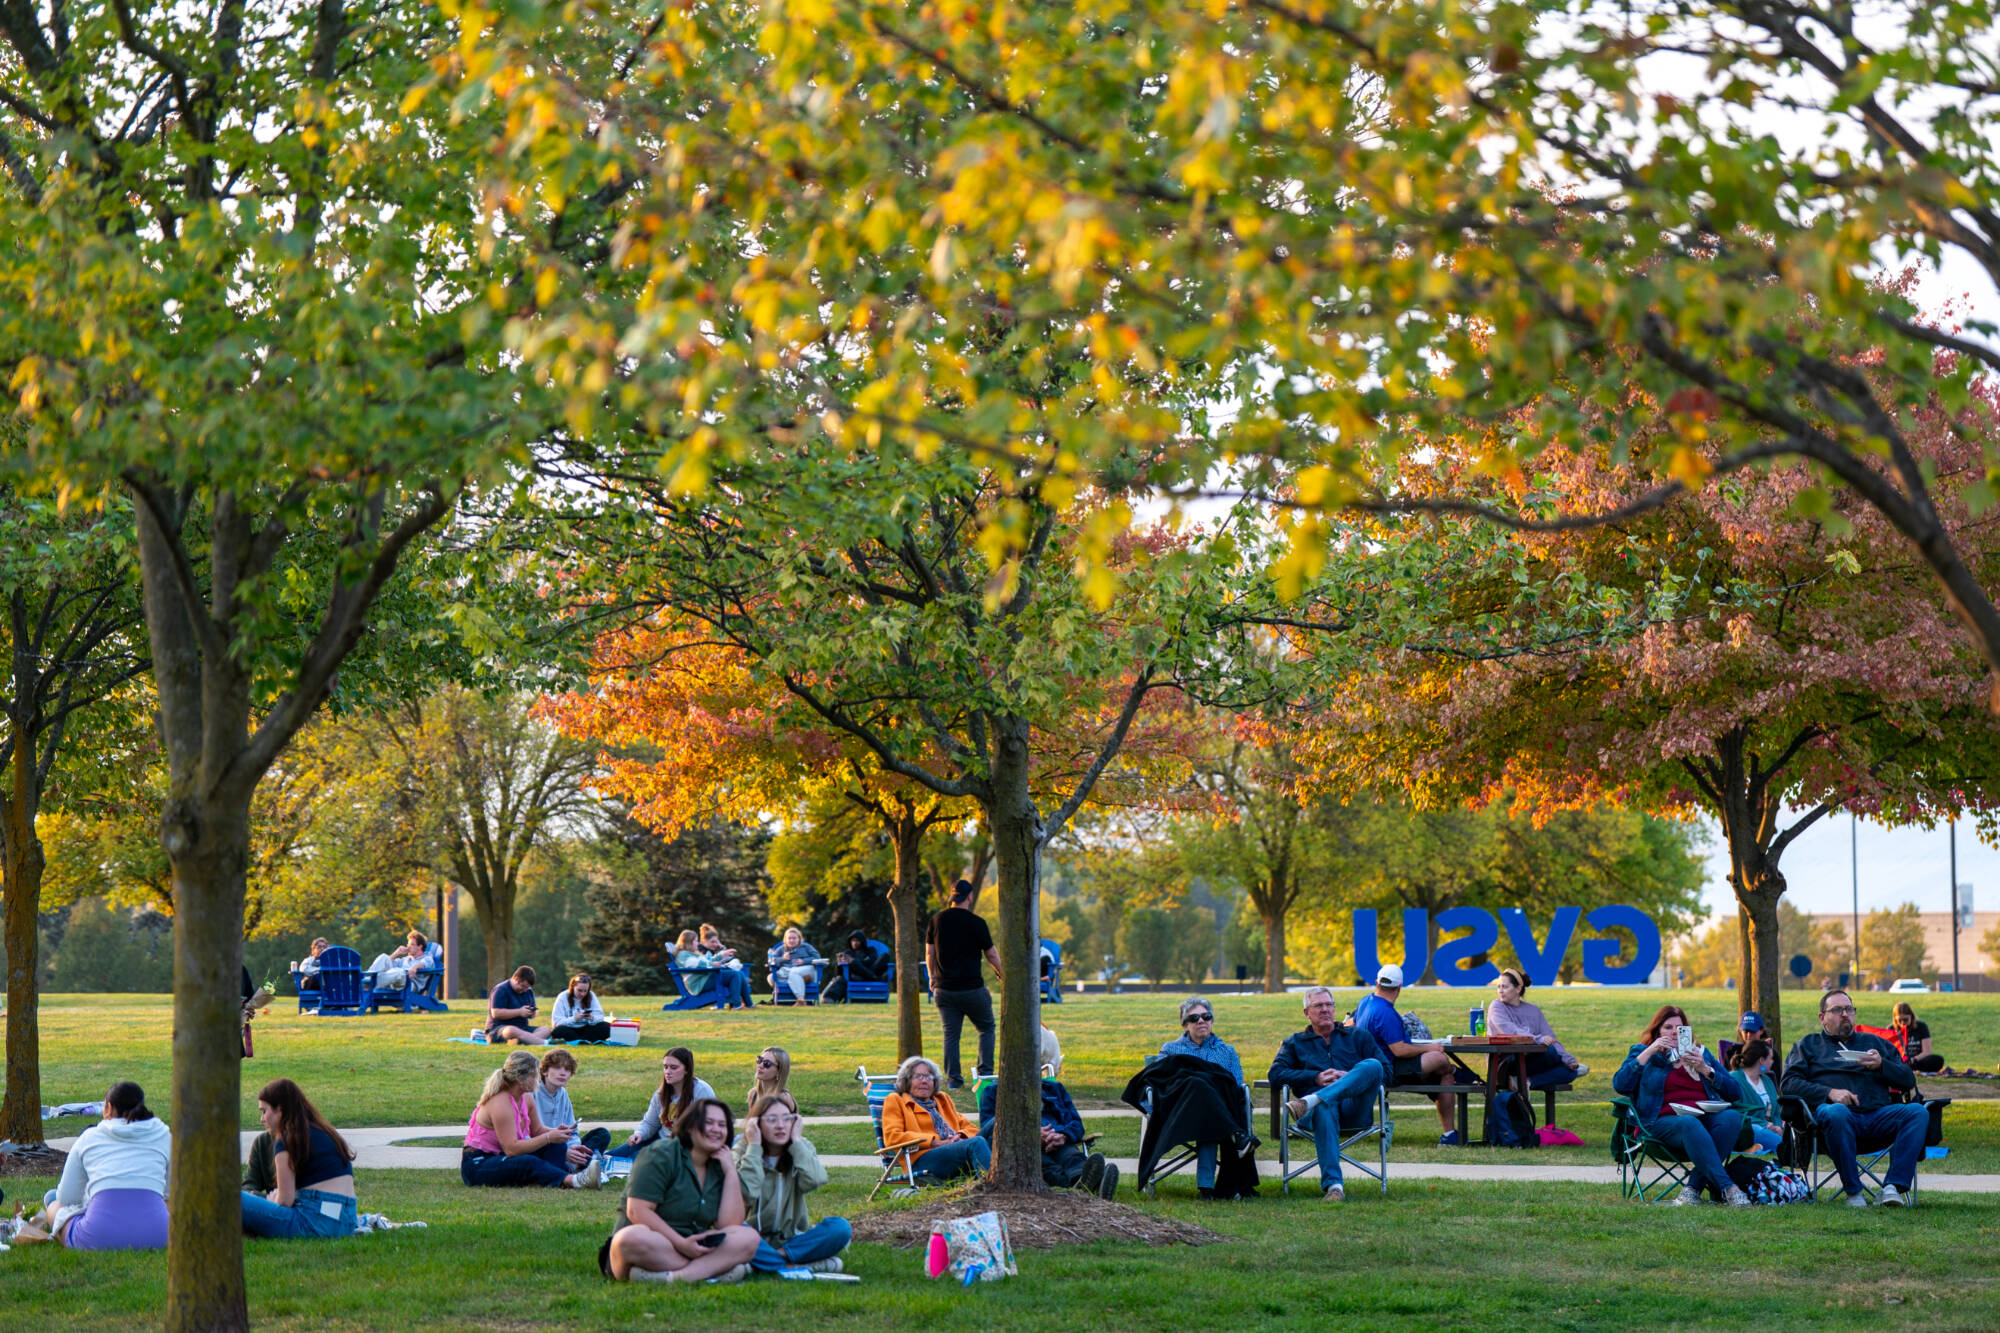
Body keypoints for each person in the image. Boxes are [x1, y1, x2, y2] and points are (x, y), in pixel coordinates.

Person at [1782, 988, 1925, 1207]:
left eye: (1849, 1009)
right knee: (1836, 1111)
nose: (1845, 1014)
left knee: (1917, 1112)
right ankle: (1854, 1191)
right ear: (1822, 1018)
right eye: (1837, 1010)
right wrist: (1829, 1093)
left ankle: (1892, 1188)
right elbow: (1788, 1083)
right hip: (1832, 1123)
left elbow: (1907, 1080)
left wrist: (1882, 1065)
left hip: (1877, 1117)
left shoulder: (1876, 1044)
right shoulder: (1808, 1045)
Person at [602, 1097, 762, 1283]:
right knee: (630, 1238)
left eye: (722, 1125)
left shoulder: (719, 1165)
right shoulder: (661, 1154)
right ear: (690, 1127)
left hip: (694, 1245)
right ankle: (711, 1270)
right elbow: (637, 1211)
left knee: (749, 1237)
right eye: (708, 1122)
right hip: (654, 1244)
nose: (716, 1129)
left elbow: (729, 1225)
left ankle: (675, 1278)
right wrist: (682, 1244)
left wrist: (731, 1172)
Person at [1612, 1005, 1751, 1207]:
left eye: (1680, 1028)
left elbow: (1735, 1093)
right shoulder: (1643, 1052)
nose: (1674, 1033)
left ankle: (1692, 1190)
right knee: (1688, 1123)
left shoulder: (1700, 1054)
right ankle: (1729, 1188)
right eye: (1668, 1027)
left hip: (1702, 1121)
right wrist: (1650, 1051)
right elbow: (1620, 1085)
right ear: (1657, 1031)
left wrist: (1705, 1069)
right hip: (1658, 1124)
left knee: (1731, 1118)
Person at [1267, 987, 1387, 1204]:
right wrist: (1315, 1078)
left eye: (1329, 1005)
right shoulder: (1295, 1043)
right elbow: (1275, 1074)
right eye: (1318, 1005)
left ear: (1334, 1008)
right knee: (1324, 1106)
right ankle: (1334, 1187)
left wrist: (1350, 1077)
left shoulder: (1358, 1037)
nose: (1325, 1010)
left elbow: (1387, 1072)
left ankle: (1313, 1099)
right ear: (1306, 1012)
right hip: (1314, 1116)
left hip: (1354, 1110)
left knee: (1373, 1065)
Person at [978, 1026, 1114, 1196]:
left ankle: (1084, 1182)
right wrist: (1031, 1134)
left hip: (1059, 1141)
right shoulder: (993, 1093)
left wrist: (1063, 1136)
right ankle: (1090, 1186)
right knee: (1046, 1166)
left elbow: (1077, 1124)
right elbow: (990, 1130)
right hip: (1024, 1147)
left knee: (1072, 1157)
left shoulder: (1054, 1089)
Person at [42, 1081, 170, 1250]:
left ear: (108, 1108)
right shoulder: (163, 1134)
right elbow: (171, 1194)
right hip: (159, 1235)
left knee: (53, 1202)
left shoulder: (89, 1137)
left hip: (96, 1236)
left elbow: (67, 1198)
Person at [739, 1091, 852, 1274]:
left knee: (839, 1228)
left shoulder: (801, 1147)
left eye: (787, 1119)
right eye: (772, 1120)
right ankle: (797, 1266)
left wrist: (797, 1142)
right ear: (756, 1124)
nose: (781, 1126)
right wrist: (755, 1148)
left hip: (792, 1239)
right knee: (732, 1230)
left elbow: (816, 1180)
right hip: (752, 1238)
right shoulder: (743, 1150)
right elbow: (745, 1191)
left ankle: (772, 1259)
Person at [462, 1050, 604, 1189]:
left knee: (557, 1146)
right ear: (520, 1078)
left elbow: (537, 1130)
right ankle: (575, 1180)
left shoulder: (526, 1098)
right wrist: (548, 1137)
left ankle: (558, 1177)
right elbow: (511, 1149)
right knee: (527, 1161)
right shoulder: (500, 1103)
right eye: (534, 1075)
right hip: (478, 1163)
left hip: (501, 1156)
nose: (538, 1080)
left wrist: (559, 1134)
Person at [1352, 964, 1462, 1144]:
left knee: (1444, 1075)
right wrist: (1430, 1047)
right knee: (1440, 1060)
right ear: (1399, 987)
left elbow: (1350, 1024)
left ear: (1377, 983)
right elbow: (1400, 1050)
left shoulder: (1366, 1002)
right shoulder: (1386, 1013)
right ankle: (1458, 1076)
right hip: (1388, 1070)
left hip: (1368, 1065)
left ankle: (1450, 1134)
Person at [239, 1078, 359, 1239]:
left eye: (264, 1111)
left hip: (315, 1223)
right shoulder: (325, 1133)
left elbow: (285, 1201)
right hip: (347, 1223)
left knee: (233, 1198)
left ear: (280, 1109)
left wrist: (272, 1200)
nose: (262, 1119)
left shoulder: (286, 1140)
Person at [1154, 995, 1247, 1199]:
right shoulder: (1171, 1049)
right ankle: (1237, 1136)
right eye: (1194, 1018)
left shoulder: (1226, 1052)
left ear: (1212, 1020)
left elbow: (1236, 1086)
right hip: (1183, 1112)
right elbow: (1159, 1081)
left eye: (1206, 1016)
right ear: (1185, 1025)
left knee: (1209, 1114)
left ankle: (1206, 1188)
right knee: (1200, 1087)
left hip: (1216, 1113)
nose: (1201, 1021)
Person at [927, 879, 1001, 1088]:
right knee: (986, 1028)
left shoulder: (936, 920)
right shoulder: (977, 922)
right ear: (969, 896)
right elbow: (992, 954)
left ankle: (954, 1080)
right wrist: (1002, 973)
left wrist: (932, 977)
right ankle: (985, 1076)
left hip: (944, 989)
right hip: (972, 989)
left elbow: (930, 952)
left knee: (951, 1034)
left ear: (953, 897)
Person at [883, 1055, 990, 1183]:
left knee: (994, 1125)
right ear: (907, 1080)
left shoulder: (942, 1100)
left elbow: (971, 1128)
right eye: (919, 1076)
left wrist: (959, 1137)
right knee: (976, 1143)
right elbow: (893, 1137)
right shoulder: (896, 1100)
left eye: (929, 1077)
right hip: (922, 1160)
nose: (924, 1081)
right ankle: (991, 1185)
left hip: (955, 1151)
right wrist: (935, 1142)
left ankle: (1001, 1181)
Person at [1485, 967, 1589, 1089]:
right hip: (1505, 1063)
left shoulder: (1533, 1010)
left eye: (1505, 987)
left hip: (1531, 1061)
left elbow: (1551, 1038)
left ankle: (1525, 1082)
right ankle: (1521, 1079)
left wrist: (1568, 1059)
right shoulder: (1496, 1006)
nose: (1500, 991)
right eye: (1498, 987)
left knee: (1568, 1071)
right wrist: (1538, 1039)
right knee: (1552, 1054)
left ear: (1518, 989)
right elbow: (1510, 1031)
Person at [613, 1048, 717, 1160]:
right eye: (665, 1067)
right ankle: (600, 1162)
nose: (667, 1072)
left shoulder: (701, 1091)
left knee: (638, 1158)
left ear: (687, 1069)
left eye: (673, 1067)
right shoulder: (661, 1093)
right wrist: (639, 1134)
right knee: (616, 1154)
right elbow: (650, 1123)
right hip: (660, 1139)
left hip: (683, 1146)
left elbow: (708, 1128)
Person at [534, 1050, 613, 1167]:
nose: (563, 1073)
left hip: (564, 1146)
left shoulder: (563, 1094)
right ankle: (581, 1166)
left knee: (602, 1134)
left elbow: (572, 1131)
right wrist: (564, 1152)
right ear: (545, 1071)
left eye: (567, 1069)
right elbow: (530, 1134)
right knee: (557, 1149)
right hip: (543, 1146)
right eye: (557, 1068)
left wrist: (574, 1148)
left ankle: (578, 1163)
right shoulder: (532, 1093)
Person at [1729, 1038, 1784, 1153]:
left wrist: (1778, 1126)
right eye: (1770, 1058)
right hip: (1747, 1128)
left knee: (1783, 1135)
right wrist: (1764, 1124)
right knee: (1766, 1135)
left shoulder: (1767, 1081)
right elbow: (1732, 1112)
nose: (1772, 1061)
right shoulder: (1733, 1079)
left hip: (1769, 1129)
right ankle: (1785, 1149)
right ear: (1761, 1060)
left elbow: (1776, 1111)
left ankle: (1755, 1148)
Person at [675, 929, 752, 1009]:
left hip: (705, 979)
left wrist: (722, 955)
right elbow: (697, 964)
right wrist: (712, 965)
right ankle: (736, 1005)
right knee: (735, 974)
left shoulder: (692, 954)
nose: (697, 943)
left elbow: (707, 961)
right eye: (695, 941)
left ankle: (749, 1004)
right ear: (688, 942)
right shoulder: (683, 955)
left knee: (739, 973)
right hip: (699, 983)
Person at [488, 964, 552, 1044]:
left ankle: (522, 1040)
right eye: (523, 986)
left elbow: (533, 1010)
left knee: (546, 1030)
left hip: (522, 1028)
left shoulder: (528, 991)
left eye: (527, 987)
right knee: (512, 1030)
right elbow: (496, 1013)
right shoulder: (501, 989)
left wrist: (532, 1013)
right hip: (499, 1029)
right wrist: (519, 1012)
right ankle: (544, 1042)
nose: (525, 990)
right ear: (516, 979)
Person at [821, 930, 884, 1005]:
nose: (855, 943)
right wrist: (839, 964)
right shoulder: (848, 953)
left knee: (854, 963)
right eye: (853, 940)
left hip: (867, 976)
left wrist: (854, 961)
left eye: (857, 940)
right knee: (841, 979)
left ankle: (871, 975)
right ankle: (830, 998)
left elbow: (872, 961)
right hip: (854, 977)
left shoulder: (870, 950)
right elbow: (838, 973)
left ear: (862, 941)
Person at [767, 927, 823, 1004]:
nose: (792, 940)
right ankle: (801, 980)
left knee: (794, 972)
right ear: (785, 939)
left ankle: (800, 999)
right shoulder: (781, 949)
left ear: (799, 939)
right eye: (789, 938)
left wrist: (804, 961)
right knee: (771, 978)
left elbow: (817, 957)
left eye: (794, 938)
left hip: (806, 969)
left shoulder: (806, 947)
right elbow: (772, 961)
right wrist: (783, 959)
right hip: (787, 972)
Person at [550, 973, 612, 1043]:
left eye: (585, 991)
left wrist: (592, 1018)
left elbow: (600, 1017)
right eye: (579, 990)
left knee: (607, 1027)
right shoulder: (563, 997)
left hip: (587, 1029)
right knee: (558, 1031)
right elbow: (556, 1023)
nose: (582, 994)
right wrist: (574, 1019)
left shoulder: (591, 995)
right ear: (573, 986)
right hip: (569, 1028)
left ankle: (579, 1040)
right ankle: (584, 1040)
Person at [365, 930, 431, 992]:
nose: (408, 947)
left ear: (420, 946)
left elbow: (424, 963)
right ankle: (366, 980)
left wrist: (414, 967)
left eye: (412, 944)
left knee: (399, 972)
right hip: (395, 982)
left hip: (410, 984)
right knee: (384, 957)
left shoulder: (427, 958)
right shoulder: (406, 959)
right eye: (408, 944)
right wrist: (396, 953)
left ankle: (369, 984)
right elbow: (387, 964)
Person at [1891, 1002, 1944, 1073]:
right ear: (1895, 1019)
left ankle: (1906, 1068)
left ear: (1911, 1016)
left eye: (1905, 1020)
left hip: (1917, 1060)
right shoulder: (1891, 1029)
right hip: (1900, 1061)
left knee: (1938, 1060)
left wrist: (1913, 1059)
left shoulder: (1921, 1026)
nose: (1902, 1023)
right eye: (1899, 1020)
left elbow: (1927, 1051)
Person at [747, 1047, 791, 1117]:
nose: (760, 1066)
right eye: (759, 1060)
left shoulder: (783, 1098)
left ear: (779, 1072)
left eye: (767, 1063)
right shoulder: (753, 1094)